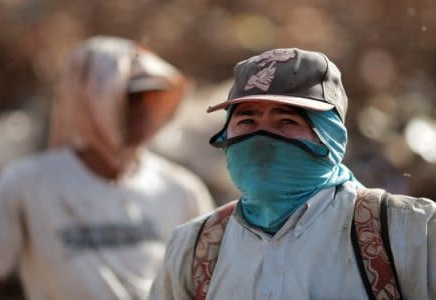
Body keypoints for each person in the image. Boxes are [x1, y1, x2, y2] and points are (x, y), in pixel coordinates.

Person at [148, 48, 436, 299]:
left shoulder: (408, 233)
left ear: (331, 136)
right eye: (247, 121)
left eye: (286, 121)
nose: (262, 139)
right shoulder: (195, 248)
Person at [0, 36, 214, 300]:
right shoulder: (28, 184)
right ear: (87, 100)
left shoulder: (180, 188)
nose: (143, 111)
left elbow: (209, 279)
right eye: (132, 97)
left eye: (152, 98)